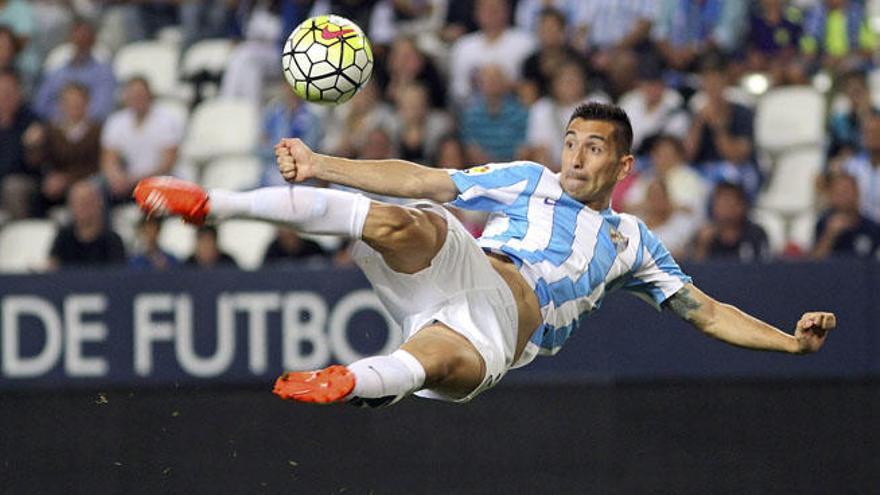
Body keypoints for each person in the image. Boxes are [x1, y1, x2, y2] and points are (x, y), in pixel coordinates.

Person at [134, 102, 836, 409]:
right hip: (473, 269)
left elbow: (705, 312)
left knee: (442, 362)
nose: (576, 156)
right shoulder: (528, 179)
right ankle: (215, 202)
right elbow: (423, 177)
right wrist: (320, 160)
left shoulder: (633, 242)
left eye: (594, 148)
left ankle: (354, 380)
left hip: (502, 332)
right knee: (419, 221)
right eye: (570, 140)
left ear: (622, 165)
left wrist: (790, 344)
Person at [48, 179, 126, 269]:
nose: (83, 208)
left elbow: (118, 275)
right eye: (78, 203)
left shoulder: (112, 241)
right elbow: (52, 270)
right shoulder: (63, 238)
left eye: (88, 202)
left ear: (99, 204)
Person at [692, 182, 771, 263]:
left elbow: (764, 268)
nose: (722, 207)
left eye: (727, 201)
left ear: (742, 205)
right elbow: (696, 271)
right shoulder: (704, 236)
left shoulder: (755, 234)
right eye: (718, 202)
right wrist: (702, 247)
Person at [812, 173, 880, 259]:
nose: (843, 196)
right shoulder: (823, 223)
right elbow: (814, 262)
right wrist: (830, 235)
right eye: (838, 192)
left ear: (857, 193)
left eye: (847, 191)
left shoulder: (872, 227)